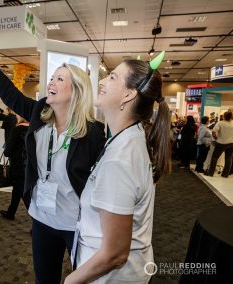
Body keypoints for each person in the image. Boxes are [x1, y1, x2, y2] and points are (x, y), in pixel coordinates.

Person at [0, 23, 106, 283]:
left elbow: (102, 182)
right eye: (52, 77)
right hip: (42, 218)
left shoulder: (93, 133)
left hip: (77, 223)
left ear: (76, 91)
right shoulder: (41, 115)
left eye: (59, 79)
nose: (50, 82)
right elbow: (7, 91)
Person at [64, 54, 171, 283]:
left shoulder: (120, 160)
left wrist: (70, 281)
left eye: (112, 77)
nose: (101, 82)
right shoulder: (129, 137)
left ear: (129, 94)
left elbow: (114, 255)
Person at [0, 114, 29, 220]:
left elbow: (8, 151)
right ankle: (10, 212)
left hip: (18, 165)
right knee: (17, 189)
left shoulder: (17, 129)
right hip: (29, 166)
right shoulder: (33, 129)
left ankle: (37, 222)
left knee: (22, 192)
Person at [205, 111, 233, 177]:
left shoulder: (220, 123)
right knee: (228, 158)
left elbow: (214, 132)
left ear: (224, 116)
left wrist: (216, 138)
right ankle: (225, 174)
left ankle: (211, 173)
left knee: (215, 157)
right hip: (231, 143)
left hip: (221, 142)